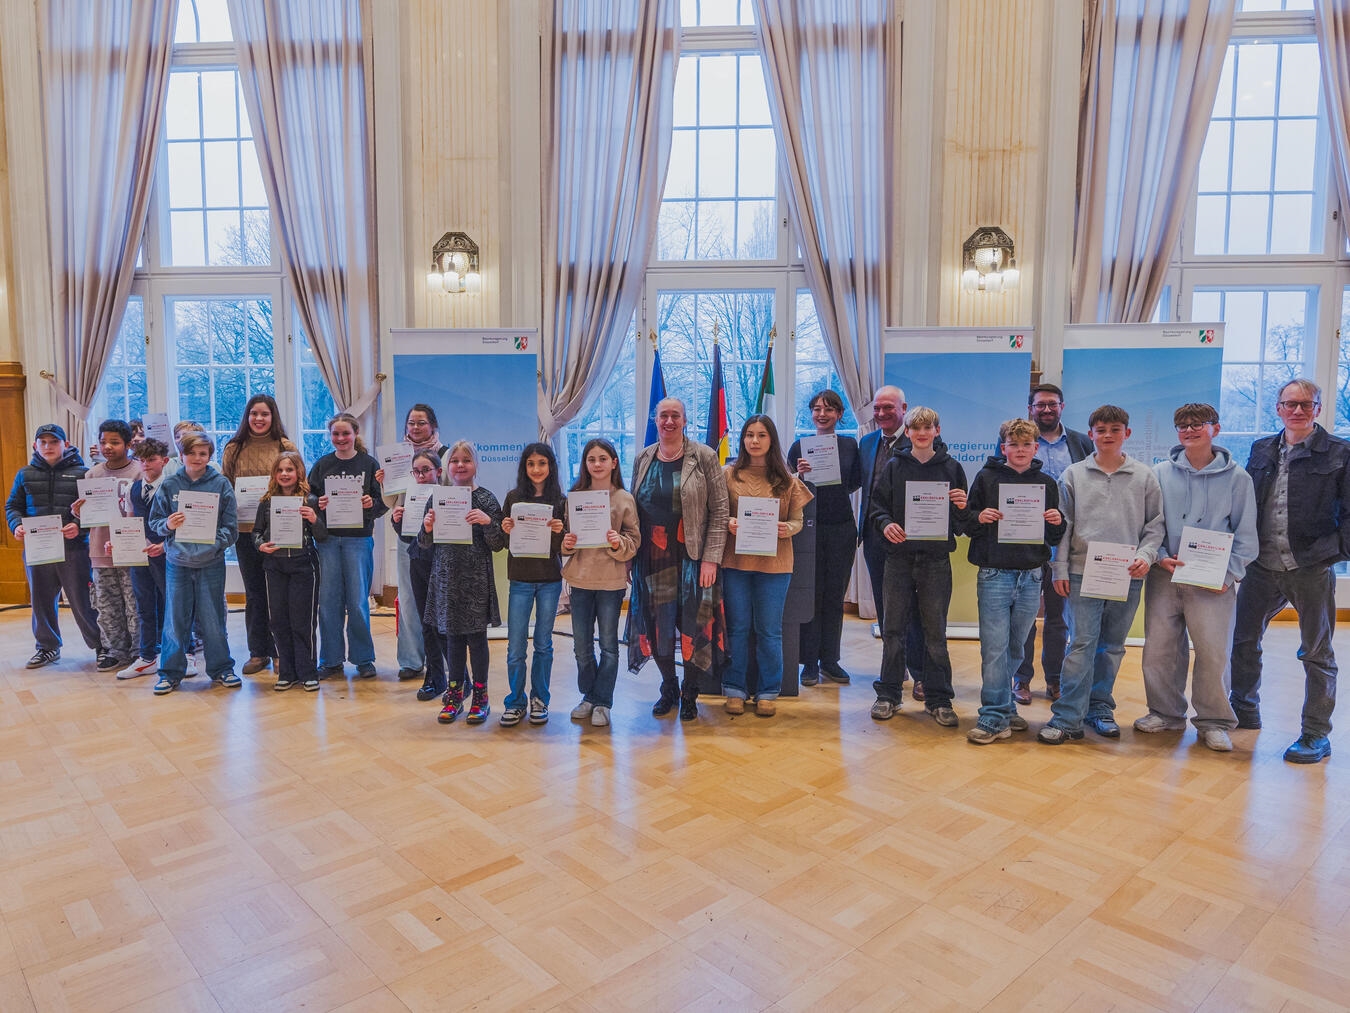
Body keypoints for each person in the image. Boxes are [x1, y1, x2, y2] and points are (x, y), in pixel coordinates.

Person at [1230, 379, 1350, 764]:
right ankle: (1244, 710)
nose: (1297, 410)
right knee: (1244, 640)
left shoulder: (1340, 452)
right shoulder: (1261, 448)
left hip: (1309, 565)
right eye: (1289, 404)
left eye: (1305, 404)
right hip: (1261, 564)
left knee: (1316, 652)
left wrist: (1334, 553)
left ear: (1317, 408)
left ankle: (1316, 733)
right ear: (1278, 408)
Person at [1133, 403, 1257, 752]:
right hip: (1165, 576)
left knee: (1213, 653)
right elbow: (1149, 525)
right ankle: (1165, 712)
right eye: (1182, 425)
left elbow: (1247, 537)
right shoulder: (1158, 473)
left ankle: (1214, 721)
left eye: (1197, 424)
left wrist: (1229, 575)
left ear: (1214, 429)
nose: (1189, 430)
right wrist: (1158, 558)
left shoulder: (1238, 479)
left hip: (1214, 583)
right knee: (1159, 650)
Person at [1038, 405, 1164, 744]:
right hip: (1081, 573)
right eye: (1101, 430)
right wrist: (1059, 568)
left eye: (1115, 429)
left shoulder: (1145, 476)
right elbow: (1063, 527)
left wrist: (1145, 556)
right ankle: (1067, 717)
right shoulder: (1073, 475)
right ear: (1091, 434)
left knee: (1111, 646)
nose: (1108, 436)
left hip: (1128, 574)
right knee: (1081, 644)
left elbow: (1155, 526)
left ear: (1127, 433)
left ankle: (1100, 708)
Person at [963, 418, 1065, 744]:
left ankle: (1006, 708)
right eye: (1013, 444)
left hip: (1032, 575)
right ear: (1003, 447)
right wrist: (979, 517)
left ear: (1036, 448)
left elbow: (1053, 535)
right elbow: (966, 520)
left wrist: (1056, 521)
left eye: (1026, 445)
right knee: (995, 648)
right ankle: (993, 716)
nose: (1020, 450)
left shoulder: (1047, 484)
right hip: (994, 573)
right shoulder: (986, 477)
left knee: (1016, 647)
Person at [627, 397, 729, 721]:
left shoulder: (704, 456)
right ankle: (668, 686)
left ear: (685, 420)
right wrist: (629, 557)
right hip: (651, 559)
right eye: (663, 416)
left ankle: (690, 692)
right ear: (655, 420)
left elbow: (721, 510)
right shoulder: (643, 458)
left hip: (692, 559)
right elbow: (632, 512)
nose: (668, 421)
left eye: (675, 416)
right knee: (658, 631)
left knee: (693, 630)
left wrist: (711, 559)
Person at [868, 406, 970, 725]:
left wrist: (963, 507)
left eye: (928, 428)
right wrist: (885, 524)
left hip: (936, 561)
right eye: (916, 428)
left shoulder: (952, 468)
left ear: (937, 431)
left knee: (934, 632)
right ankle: (889, 695)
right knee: (894, 630)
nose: (922, 433)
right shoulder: (894, 466)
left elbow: (961, 523)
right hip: (898, 559)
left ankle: (939, 699)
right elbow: (876, 507)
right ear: (908, 432)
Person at [721, 415, 813, 718]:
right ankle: (734, 687)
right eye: (749, 435)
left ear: (771, 440)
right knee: (737, 627)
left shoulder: (787, 480)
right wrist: (728, 522)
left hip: (776, 565)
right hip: (735, 562)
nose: (755, 441)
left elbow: (798, 521)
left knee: (769, 630)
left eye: (761, 435)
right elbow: (716, 513)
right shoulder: (727, 475)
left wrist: (788, 528)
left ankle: (768, 690)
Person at [1014, 383, 1093, 705]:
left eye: (1052, 404)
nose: (1046, 410)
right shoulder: (1017, 442)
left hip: (1067, 544)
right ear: (1030, 408)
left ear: (1062, 406)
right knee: (1025, 616)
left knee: (1059, 617)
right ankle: (1021, 679)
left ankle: (1055, 680)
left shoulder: (1080, 442)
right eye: (1040, 405)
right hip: (1025, 542)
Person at [420, 441, 505, 724]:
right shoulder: (437, 497)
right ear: (446, 467)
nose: (460, 465)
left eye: (466, 460)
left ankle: (481, 696)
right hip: (445, 578)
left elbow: (498, 544)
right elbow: (424, 543)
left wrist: (487, 522)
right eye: (454, 460)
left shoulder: (487, 499)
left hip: (476, 578)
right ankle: (455, 693)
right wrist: (428, 528)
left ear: (475, 465)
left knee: (477, 640)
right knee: (452, 639)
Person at [148, 432, 239, 694]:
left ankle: (222, 668)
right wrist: (168, 524)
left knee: (213, 619)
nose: (197, 458)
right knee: (175, 619)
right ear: (182, 455)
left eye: (203, 453)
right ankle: (170, 673)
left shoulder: (220, 484)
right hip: (177, 561)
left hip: (211, 562)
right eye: (192, 452)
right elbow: (155, 522)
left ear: (210, 456)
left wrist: (212, 544)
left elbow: (230, 528)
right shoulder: (169, 485)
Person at [5, 423, 100, 668]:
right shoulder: (24, 474)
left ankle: (101, 646)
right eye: (43, 442)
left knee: (82, 600)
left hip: (74, 549)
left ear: (65, 444)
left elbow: (94, 510)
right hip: (38, 549)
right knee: (41, 600)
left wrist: (79, 526)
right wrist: (16, 526)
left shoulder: (83, 473)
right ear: (36, 445)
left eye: (54, 442)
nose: (48, 446)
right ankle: (47, 647)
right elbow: (12, 506)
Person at [562, 438, 639, 728]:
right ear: (585, 464)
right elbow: (566, 539)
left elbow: (634, 540)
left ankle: (603, 701)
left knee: (608, 645)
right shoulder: (575, 496)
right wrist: (567, 543)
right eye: (591, 459)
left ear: (614, 462)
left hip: (611, 581)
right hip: (581, 579)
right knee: (581, 647)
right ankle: (589, 696)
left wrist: (619, 542)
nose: (597, 464)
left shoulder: (623, 498)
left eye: (602, 458)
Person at [787, 389, 862, 687]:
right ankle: (808, 663)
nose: (822, 414)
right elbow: (791, 487)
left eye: (829, 409)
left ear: (839, 414)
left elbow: (856, 481)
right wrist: (802, 475)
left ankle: (830, 660)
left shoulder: (849, 445)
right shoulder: (798, 447)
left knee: (835, 596)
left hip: (841, 528)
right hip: (808, 528)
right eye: (817, 409)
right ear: (811, 414)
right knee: (811, 594)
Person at [858, 384, 927, 701]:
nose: (882, 413)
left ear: (904, 408)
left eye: (889, 408)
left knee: (914, 609)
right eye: (877, 408)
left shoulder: (919, 441)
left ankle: (921, 673)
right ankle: (894, 668)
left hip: (911, 538)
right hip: (874, 536)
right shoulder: (867, 442)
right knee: (885, 608)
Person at [222, 393, 297, 677]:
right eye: (254, 413)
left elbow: (295, 480)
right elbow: (226, 487)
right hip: (244, 531)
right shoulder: (234, 448)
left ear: (272, 416)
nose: (259, 419)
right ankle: (258, 652)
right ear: (247, 416)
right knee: (254, 593)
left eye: (264, 414)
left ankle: (280, 652)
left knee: (277, 593)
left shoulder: (284, 446)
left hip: (277, 529)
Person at [308, 412, 387, 680]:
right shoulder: (322, 465)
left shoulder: (369, 463)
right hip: (328, 540)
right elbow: (309, 497)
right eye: (336, 434)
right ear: (331, 436)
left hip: (358, 539)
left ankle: (364, 659)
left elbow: (383, 502)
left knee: (357, 602)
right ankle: (330, 660)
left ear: (355, 434)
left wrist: (371, 504)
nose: (340, 438)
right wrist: (317, 503)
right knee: (328, 602)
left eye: (345, 433)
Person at [377, 403, 449, 682]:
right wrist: (385, 485)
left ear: (433, 426)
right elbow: (390, 503)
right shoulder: (396, 459)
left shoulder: (447, 454)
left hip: (441, 541)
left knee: (441, 600)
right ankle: (411, 660)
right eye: (411, 423)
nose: (416, 428)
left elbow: (456, 491)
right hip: (409, 540)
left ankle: (445, 659)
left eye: (421, 423)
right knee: (408, 600)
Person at [499, 442, 567, 727]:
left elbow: (565, 547)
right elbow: (504, 543)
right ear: (524, 468)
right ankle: (515, 702)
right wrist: (505, 529)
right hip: (521, 581)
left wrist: (560, 531)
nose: (536, 469)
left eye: (542, 463)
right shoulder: (514, 498)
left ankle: (540, 700)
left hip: (550, 580)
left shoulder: (561, 502)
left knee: (543, 644)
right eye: (531, 464)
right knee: (515, 646)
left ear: (550, 466)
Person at [253, 450, 326, 692]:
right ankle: (287, 671)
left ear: (299, 472)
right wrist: (260, 545)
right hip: (274, 567)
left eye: (290, 470)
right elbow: (256, 532)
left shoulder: (310, 500)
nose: (285, 474)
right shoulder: (266, 502)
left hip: (304, 566)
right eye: (280, 470)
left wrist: (314, 519)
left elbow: (323, 536)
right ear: (274, 474)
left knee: (302, 621)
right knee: (279, 621)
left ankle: (308, 672)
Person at [76, 419, 141, 672]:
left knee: (134, 602)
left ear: (127, 444)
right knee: (106, 603)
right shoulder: (92, 474)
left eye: (114, 442)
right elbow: (89, 517)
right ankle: (114, 650)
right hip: (100, 550)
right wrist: (79, 513)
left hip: (131, 551)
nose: (108, 447)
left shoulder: (138, 472)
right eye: (103, 442)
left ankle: (139, 650)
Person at [390, 450, 447, 702]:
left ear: (439, 472)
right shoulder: (410, 497)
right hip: (418, 563)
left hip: (443, 565)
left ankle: (458, 676)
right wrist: (397, 520)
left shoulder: (449, 497)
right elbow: (406, 536)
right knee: (426, 623)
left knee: (445, 623)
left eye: (426, 470)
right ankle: (434, 677)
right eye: (417, 471)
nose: (422, 476)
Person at [117, 438, 171, 680]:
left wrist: (164, 546)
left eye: (151, 459)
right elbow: (130, 522)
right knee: (144, 606)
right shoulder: (133, 488)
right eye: (142, 460)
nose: (146, 465)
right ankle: (147, 656)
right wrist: (118, 542)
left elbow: (182, 525)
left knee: (174, 606)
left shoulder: (172, 487)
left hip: (167, 554)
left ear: (164, 461)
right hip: (140, 556)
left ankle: (182, 653)